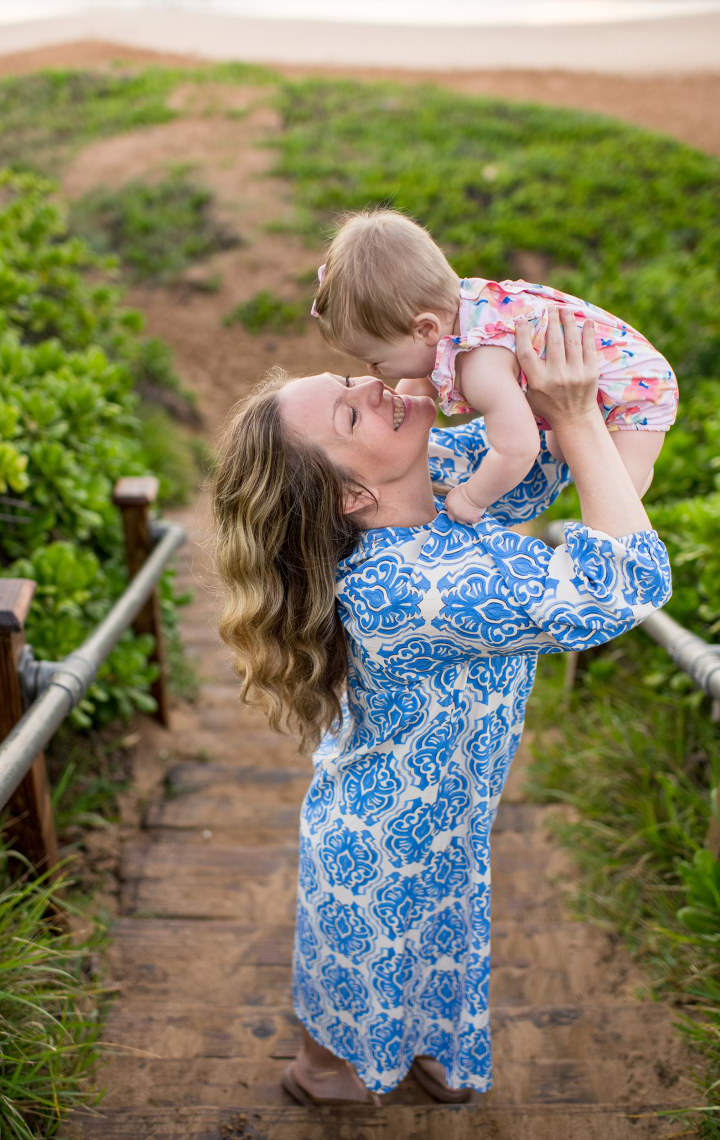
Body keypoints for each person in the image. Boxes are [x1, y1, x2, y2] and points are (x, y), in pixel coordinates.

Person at [210, 310, 671, 1106]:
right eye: (353, 411)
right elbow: (624, 585)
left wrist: (550, 394)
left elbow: (541, 473)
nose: (374, 386)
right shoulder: (406, 588)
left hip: (447, 816)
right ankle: (321, 1073)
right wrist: (573, 413)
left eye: (351, 379)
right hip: (378, 839)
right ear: (355, 493)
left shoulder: (441, 477)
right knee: (360, 964)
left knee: (433, 950)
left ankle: (418, 1048)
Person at [310, 208, 678, 525]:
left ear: (425, 328)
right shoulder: (461, 306)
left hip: (633, 391)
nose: (373, 371)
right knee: (567, 452)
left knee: (614, 496)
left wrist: (471, 498)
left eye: (377, 360)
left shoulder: (481, 364)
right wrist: (401, 411)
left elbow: (517, 449)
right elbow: (421, 379)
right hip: (603, 369)